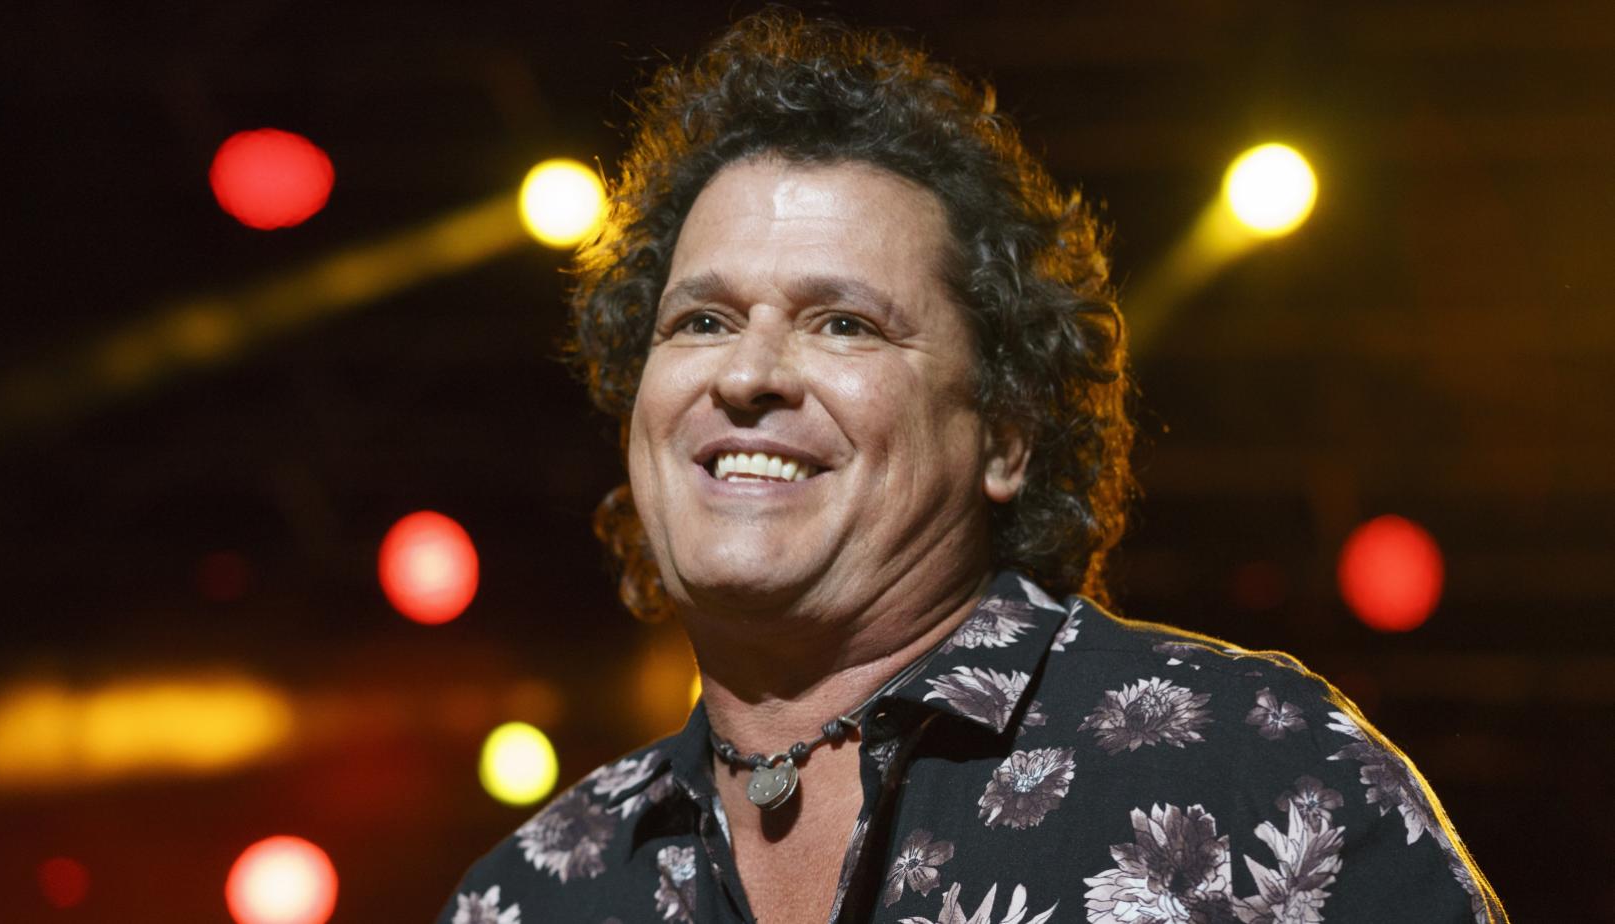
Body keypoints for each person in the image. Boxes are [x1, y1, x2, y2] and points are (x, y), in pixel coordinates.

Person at [438, 11, 1507, 924]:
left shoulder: (1261, 775)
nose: (748, 374)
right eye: (702, 320)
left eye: (844, 323)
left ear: (1003, 435)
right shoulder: (528, 895)